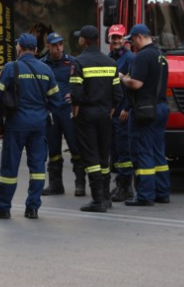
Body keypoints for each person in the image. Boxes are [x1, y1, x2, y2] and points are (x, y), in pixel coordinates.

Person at [0, 33, 65, 220]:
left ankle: (2, 208)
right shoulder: (46, 70)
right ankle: (32, 208)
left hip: (16, 125)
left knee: (9, 168)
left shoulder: (10, 68)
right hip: (39, 126)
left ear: (19, 47)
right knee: (37, 168)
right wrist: (44, 115)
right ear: (35, 49)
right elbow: (57, 101)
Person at [70, 25, 122, 212]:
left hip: (86, 115)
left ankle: (97, 200)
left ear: (83, 40)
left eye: (80, 37)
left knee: (91, 157)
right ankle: (106, 197)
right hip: (105, 115)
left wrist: (75, 115)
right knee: (103, 156)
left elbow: (76, 94)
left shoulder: (78, 62)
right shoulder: (111, 63)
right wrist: (109, 111)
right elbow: (118, 94)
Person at [119, 24, 170, 206]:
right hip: (161, 107)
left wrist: (123, 78)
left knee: (143, 151)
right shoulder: (161, 56)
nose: (132, 44)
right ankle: (162, 193)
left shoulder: (142, 56)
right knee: (158, 152)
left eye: (132, 40)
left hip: (144, 110)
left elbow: (136, 84)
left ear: (139, 37)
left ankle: (145, 195)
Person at [40, 32, 85, 196]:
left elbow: (83, 84)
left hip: (68, 111)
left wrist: (76, 95)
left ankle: (80, 184)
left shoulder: (72, 62)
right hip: (51, 112)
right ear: (48, 46)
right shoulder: (41, 64)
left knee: (75, 147)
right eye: (54, 45)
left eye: (60, 44)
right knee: (53, 150)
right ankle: (55, 184)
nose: (58, 48)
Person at [107, 24, 136, 202]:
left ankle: (126, 187)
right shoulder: (109, 58)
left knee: (124, 150)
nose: (116, 40)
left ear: (124, 39)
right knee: (116, 150)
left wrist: (126, 108)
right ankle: (120, 183)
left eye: (119, 37)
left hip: (123, 112)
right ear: (109, 39)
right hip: (113, 111)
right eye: (113, 37)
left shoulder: (130, 58)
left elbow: (132, 87)